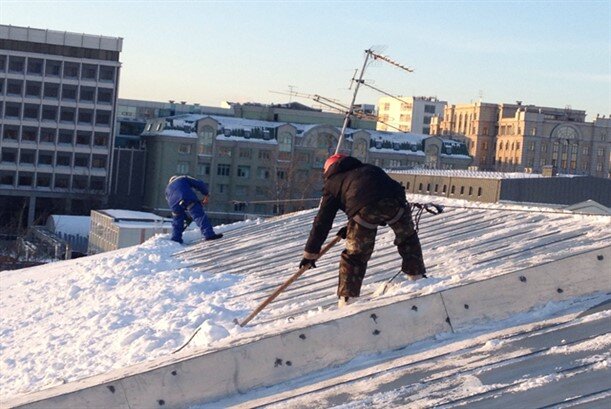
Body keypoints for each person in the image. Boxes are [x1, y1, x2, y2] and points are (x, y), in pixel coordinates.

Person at [300, 154, 426, 307]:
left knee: (356, 255)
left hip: (364, 211)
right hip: (396, 203)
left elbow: (323, 221)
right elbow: (375, 195)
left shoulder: (332, 183)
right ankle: (417, 277)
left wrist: (310, 253)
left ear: (329, 170)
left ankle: (348, 299)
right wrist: (350, 226)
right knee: (408, 238)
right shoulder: (369, 168)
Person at [165, 175, 223, 244]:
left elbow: (171, 200)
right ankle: (209, 234)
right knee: (199, 215)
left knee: (177, 220)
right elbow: (199, 184)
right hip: (186, 196)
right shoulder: (182, 178)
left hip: (173, 203)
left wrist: (185, 217)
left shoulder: (167, 189)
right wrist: (206, 194)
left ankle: (176, 239)